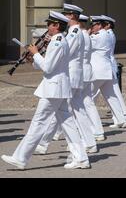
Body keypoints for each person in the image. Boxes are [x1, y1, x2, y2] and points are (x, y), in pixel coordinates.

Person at [1, 11, 90, 169]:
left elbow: (48, 67)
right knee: (68, 124)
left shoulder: (57, 41)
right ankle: (81, 158)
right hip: (58, 88)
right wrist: (32, 58)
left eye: (49, 24)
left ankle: (20, 158)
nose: (47, 27)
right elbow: (49, 63)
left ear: (56, 26)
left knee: (39, 123)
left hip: (53, 89)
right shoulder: (59, 39)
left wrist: (36, 54)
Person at [36, 4, 98, 155]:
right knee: (74, 109)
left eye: (66, 15)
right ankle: (89, 143)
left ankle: (43, 143)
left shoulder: (74, 32)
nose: (65, 17)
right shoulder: (75, 32)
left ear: (72, 16)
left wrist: (47, 47)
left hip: (71, 74)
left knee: (60, 110)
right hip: (75, 74)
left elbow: (65, 53)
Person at [90, 16, 126, 128]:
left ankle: (92, 126)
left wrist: (86, 34)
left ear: (99, 25)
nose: (92, 27)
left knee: (87, 98)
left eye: (93, 25)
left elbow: (84, 45)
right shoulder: (107, 34)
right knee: (111, 96)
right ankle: (121, 119)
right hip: (106, 70)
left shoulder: (98, 36)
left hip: (98, 71)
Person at [101, 15, 126, 126]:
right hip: (108, 64)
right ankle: (122, 114)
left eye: (103, 24)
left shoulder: (107, 34)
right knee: (114, 91)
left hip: (106, 65)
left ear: (108, 25)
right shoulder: (109, 34)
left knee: (90, 95)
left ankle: (122, 114)